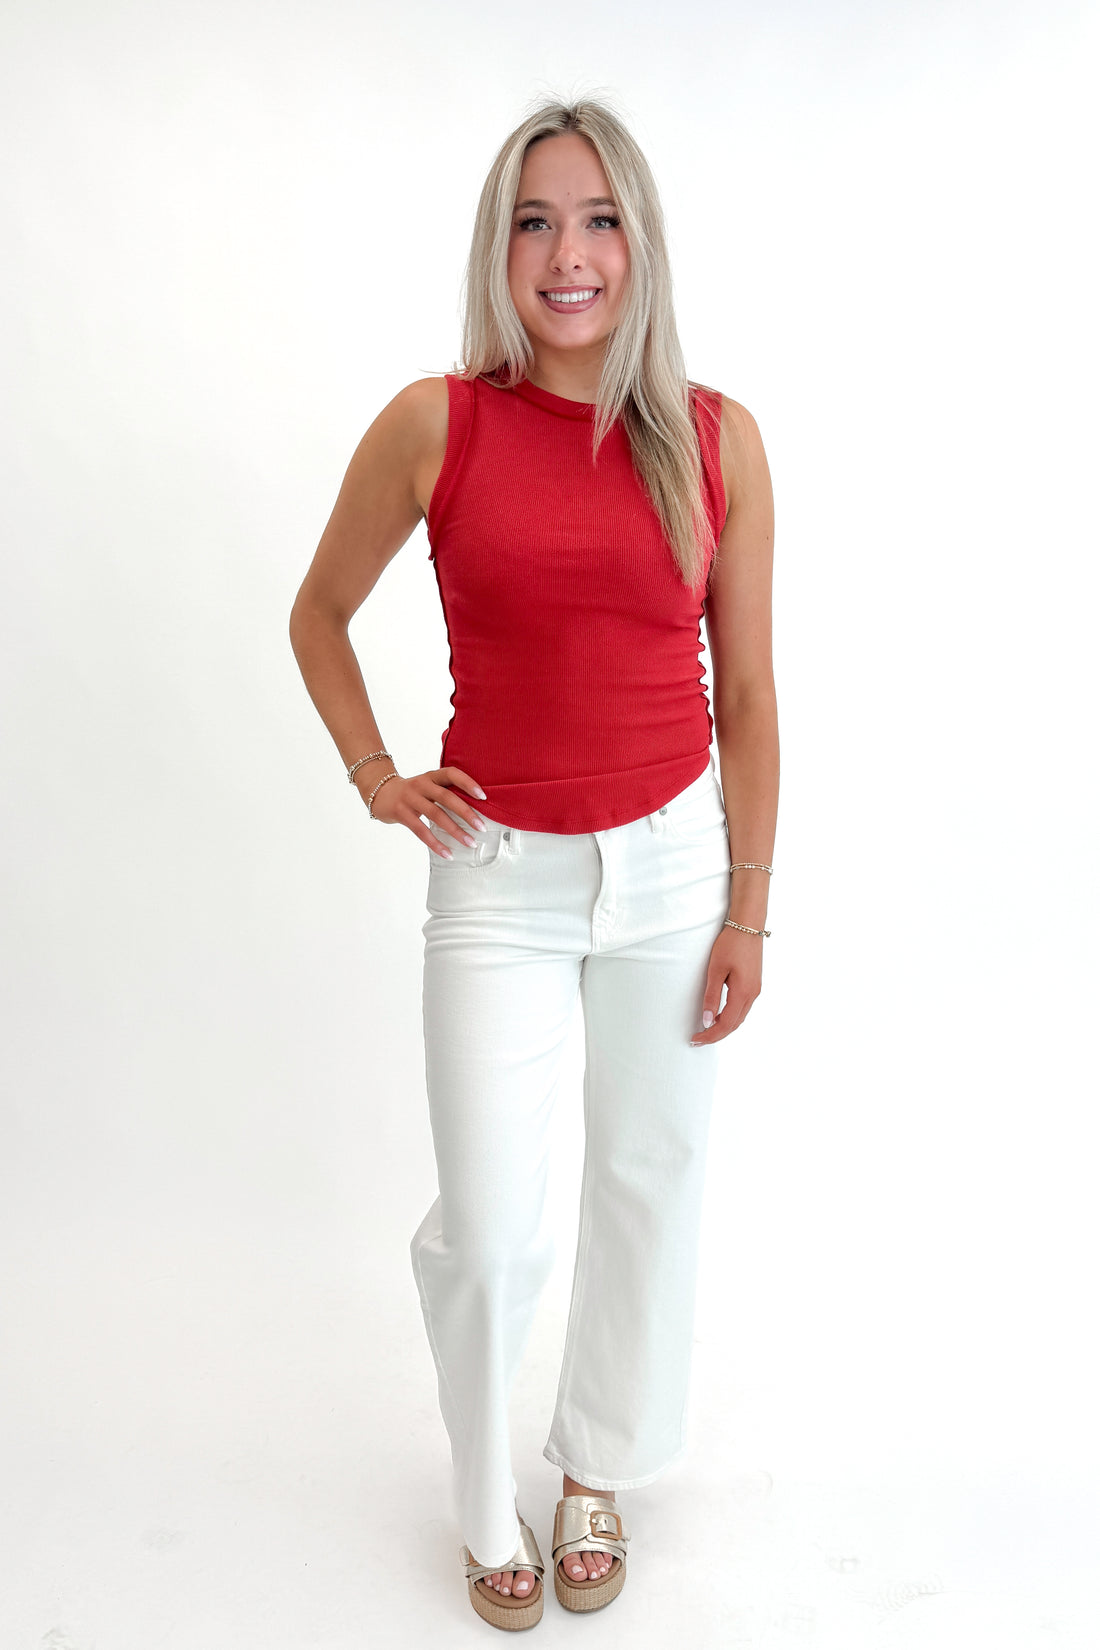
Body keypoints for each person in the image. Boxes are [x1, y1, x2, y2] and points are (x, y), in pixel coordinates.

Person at [289, 94, 778, 1631]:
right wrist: (377, 776)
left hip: (673, 864)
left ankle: (596, 1468)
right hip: (494, 872)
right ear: (499, 248)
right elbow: (317, 612)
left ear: (640, 242)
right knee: (492, 1225)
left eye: (598, 219)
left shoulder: (714, 437)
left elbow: (749, 692)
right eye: (534, 220)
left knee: (650, 1178)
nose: (567, 255)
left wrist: (748, 904)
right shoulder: (438, 421)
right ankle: (482, 1491)